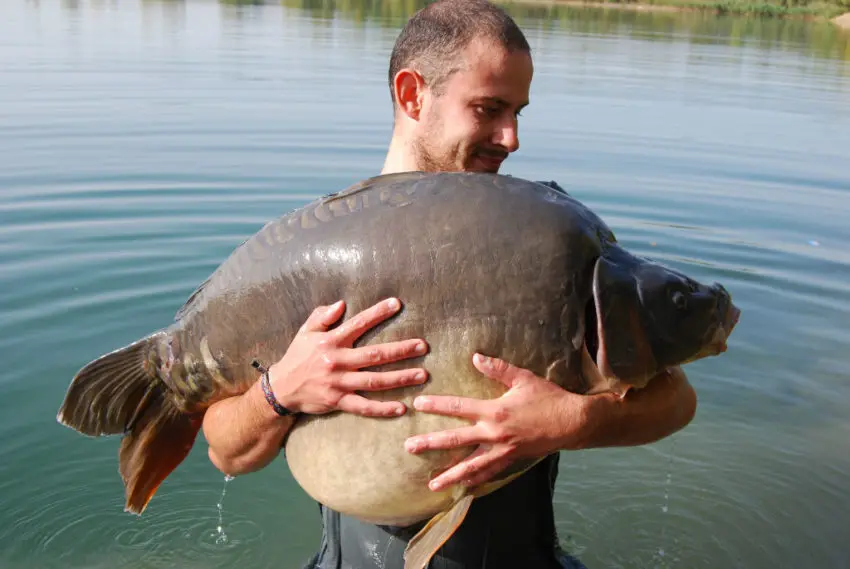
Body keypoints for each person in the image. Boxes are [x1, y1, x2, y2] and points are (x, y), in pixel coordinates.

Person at [201, 1, 698, 567]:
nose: (511, 139)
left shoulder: (543, 235)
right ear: (413, 94)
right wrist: (278, 393)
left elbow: (675, 400)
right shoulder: (316, 255)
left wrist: (572, 420)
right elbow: (227, 452)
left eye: (518, 112)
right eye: (489, 109)